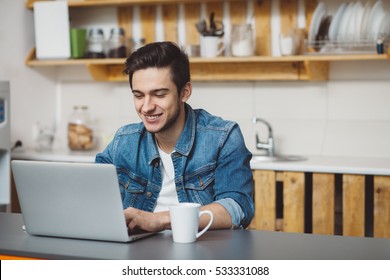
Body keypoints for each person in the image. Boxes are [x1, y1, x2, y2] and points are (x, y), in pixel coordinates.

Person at [95, 41, 254, 233]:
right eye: (138, 95)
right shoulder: (124, 141)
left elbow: (237, 208)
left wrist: (160, 220)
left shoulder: (223, 137)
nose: (146, 107)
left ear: (184, 92)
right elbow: (90, 194)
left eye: (159, 94)